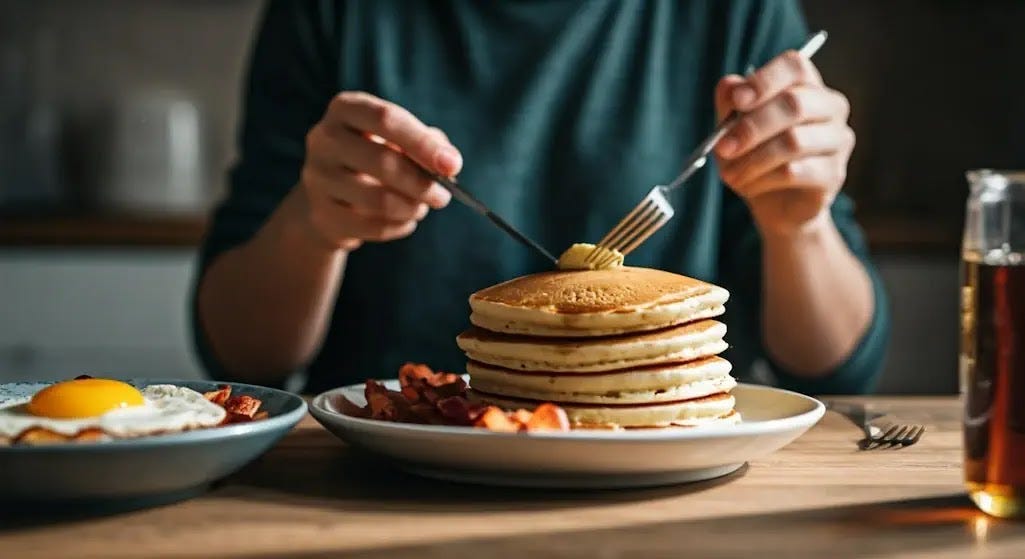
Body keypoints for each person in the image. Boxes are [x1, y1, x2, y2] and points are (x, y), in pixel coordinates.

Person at [192, 0, 890, 395]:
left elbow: (835, 361)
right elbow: (238, 353)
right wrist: (314, 227)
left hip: (665, 484)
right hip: (385, 481)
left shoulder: (736, 15)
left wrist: (797, 226)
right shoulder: (333, 13)